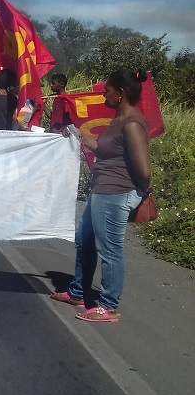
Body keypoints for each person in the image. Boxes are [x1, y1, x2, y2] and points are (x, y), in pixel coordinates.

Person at [50, 70, 152, 322]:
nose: (103, 94)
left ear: (121, 94)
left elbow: (145, 171)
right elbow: (104, 149)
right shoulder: (119, 119)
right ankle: (77, 292)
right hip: (102, 192)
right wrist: (76, 132)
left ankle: (108, 306)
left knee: (110, 250)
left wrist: (137, 192)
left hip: (115, 194)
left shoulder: (132, 124)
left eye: (107, 90)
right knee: (84, 242)